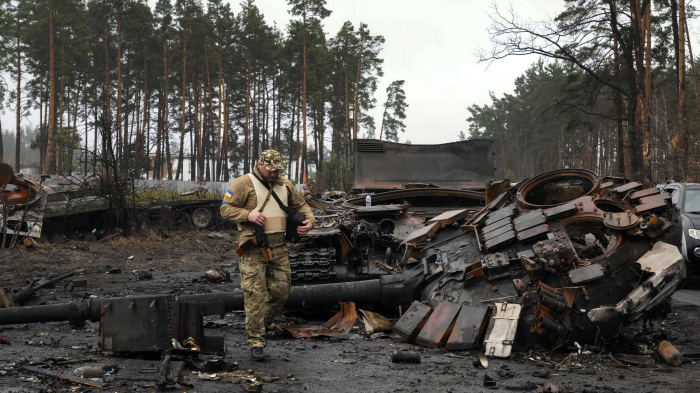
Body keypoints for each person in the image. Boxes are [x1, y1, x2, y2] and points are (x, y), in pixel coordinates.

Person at [220, 149, 315, 361]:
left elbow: (302, 206)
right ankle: (256, 341)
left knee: (282, 291)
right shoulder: (243, 183)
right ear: (260, 164)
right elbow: (225, 209)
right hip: (253, 247)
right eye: (270, 170)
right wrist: (248, 214)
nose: (274, 174)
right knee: (255, 295)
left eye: (277, 170)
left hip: (279, 246)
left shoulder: (285, 184)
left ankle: (259, 324)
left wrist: (310, 222)